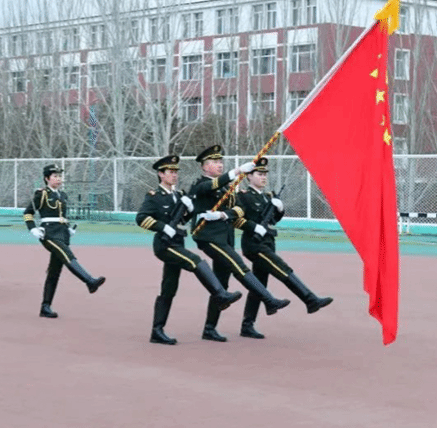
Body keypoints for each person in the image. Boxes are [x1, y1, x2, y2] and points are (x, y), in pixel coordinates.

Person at [136, 155, 243, 345]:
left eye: (176, 172)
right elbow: (141, 218)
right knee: (196, 261)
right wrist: (163, 227)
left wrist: (189, 209)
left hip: (177, 243)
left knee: (169, 289)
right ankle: (220, 293)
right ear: (161, 174)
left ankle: (157, 331)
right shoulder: (154, 196)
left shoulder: (178, 195)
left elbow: (183, 219)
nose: (174, 175)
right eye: (170, 172)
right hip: (164, 245)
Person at [189, 145, 290, 342]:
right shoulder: (200, 185)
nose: (219, 165)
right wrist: (236, 171)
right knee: (239, 266)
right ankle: (269, 300)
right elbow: (211, 186)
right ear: (204, 166)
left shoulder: (226, 188)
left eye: (220, 161)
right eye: (214, 162)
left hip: (225, 237)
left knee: (221, 284)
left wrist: (223, 214)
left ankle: (209, 328)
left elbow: (239, 209)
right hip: (208, 237)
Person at [236, 158, 333, 339]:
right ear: (249, 176)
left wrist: (279, 209)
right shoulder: (243, 196)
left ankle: (247, 325)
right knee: (282, 268)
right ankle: (310, 299)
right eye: (259, 174)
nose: (263, 177)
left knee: (259, 285)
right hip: (254, 245)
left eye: (265, 174)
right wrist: (253, 227)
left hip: (267, 242)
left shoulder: (267, 197)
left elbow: (273, 220)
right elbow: (236, 219)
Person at [23, 163, 105, 319]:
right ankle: (89, 281)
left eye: (60, 176)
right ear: (47, 178)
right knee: (67, 255)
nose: (58, 179)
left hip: (62, 233)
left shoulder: (62, 195)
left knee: (54, 272)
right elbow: (28, 213)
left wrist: (68, 228)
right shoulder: (42, 194)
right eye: (55, 176)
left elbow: (62, 216)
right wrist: (32, 228)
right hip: (48, 233)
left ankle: (45, 307)